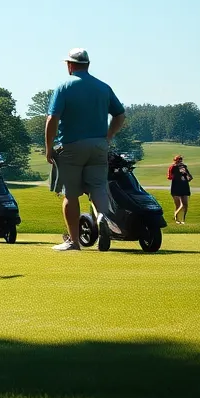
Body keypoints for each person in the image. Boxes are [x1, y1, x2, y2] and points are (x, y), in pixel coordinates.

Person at [44, 48, 126, 252]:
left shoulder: (64, 87)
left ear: (70, 65)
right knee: (98, 188)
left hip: (71, 146)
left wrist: (48, 147)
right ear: (88, 65)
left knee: (70, 194)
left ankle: (74, 241)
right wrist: (108, 137)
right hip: (99, 145)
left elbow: (52, 119)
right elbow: (120, 115)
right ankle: (101, 218)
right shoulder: (103, 87)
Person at [168, 155, 192, 224]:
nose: (179, 161)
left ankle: (183, 220)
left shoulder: (184, 167)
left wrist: (185, 176)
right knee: (178, 205)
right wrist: (176, 174)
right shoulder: (172, 167)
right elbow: (169, 177)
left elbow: (189, 177)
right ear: (175, 161)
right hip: (176, 187)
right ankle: (177, 219)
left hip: (184, 186)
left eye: (180, 160)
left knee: (185, 205)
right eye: (178, 160)